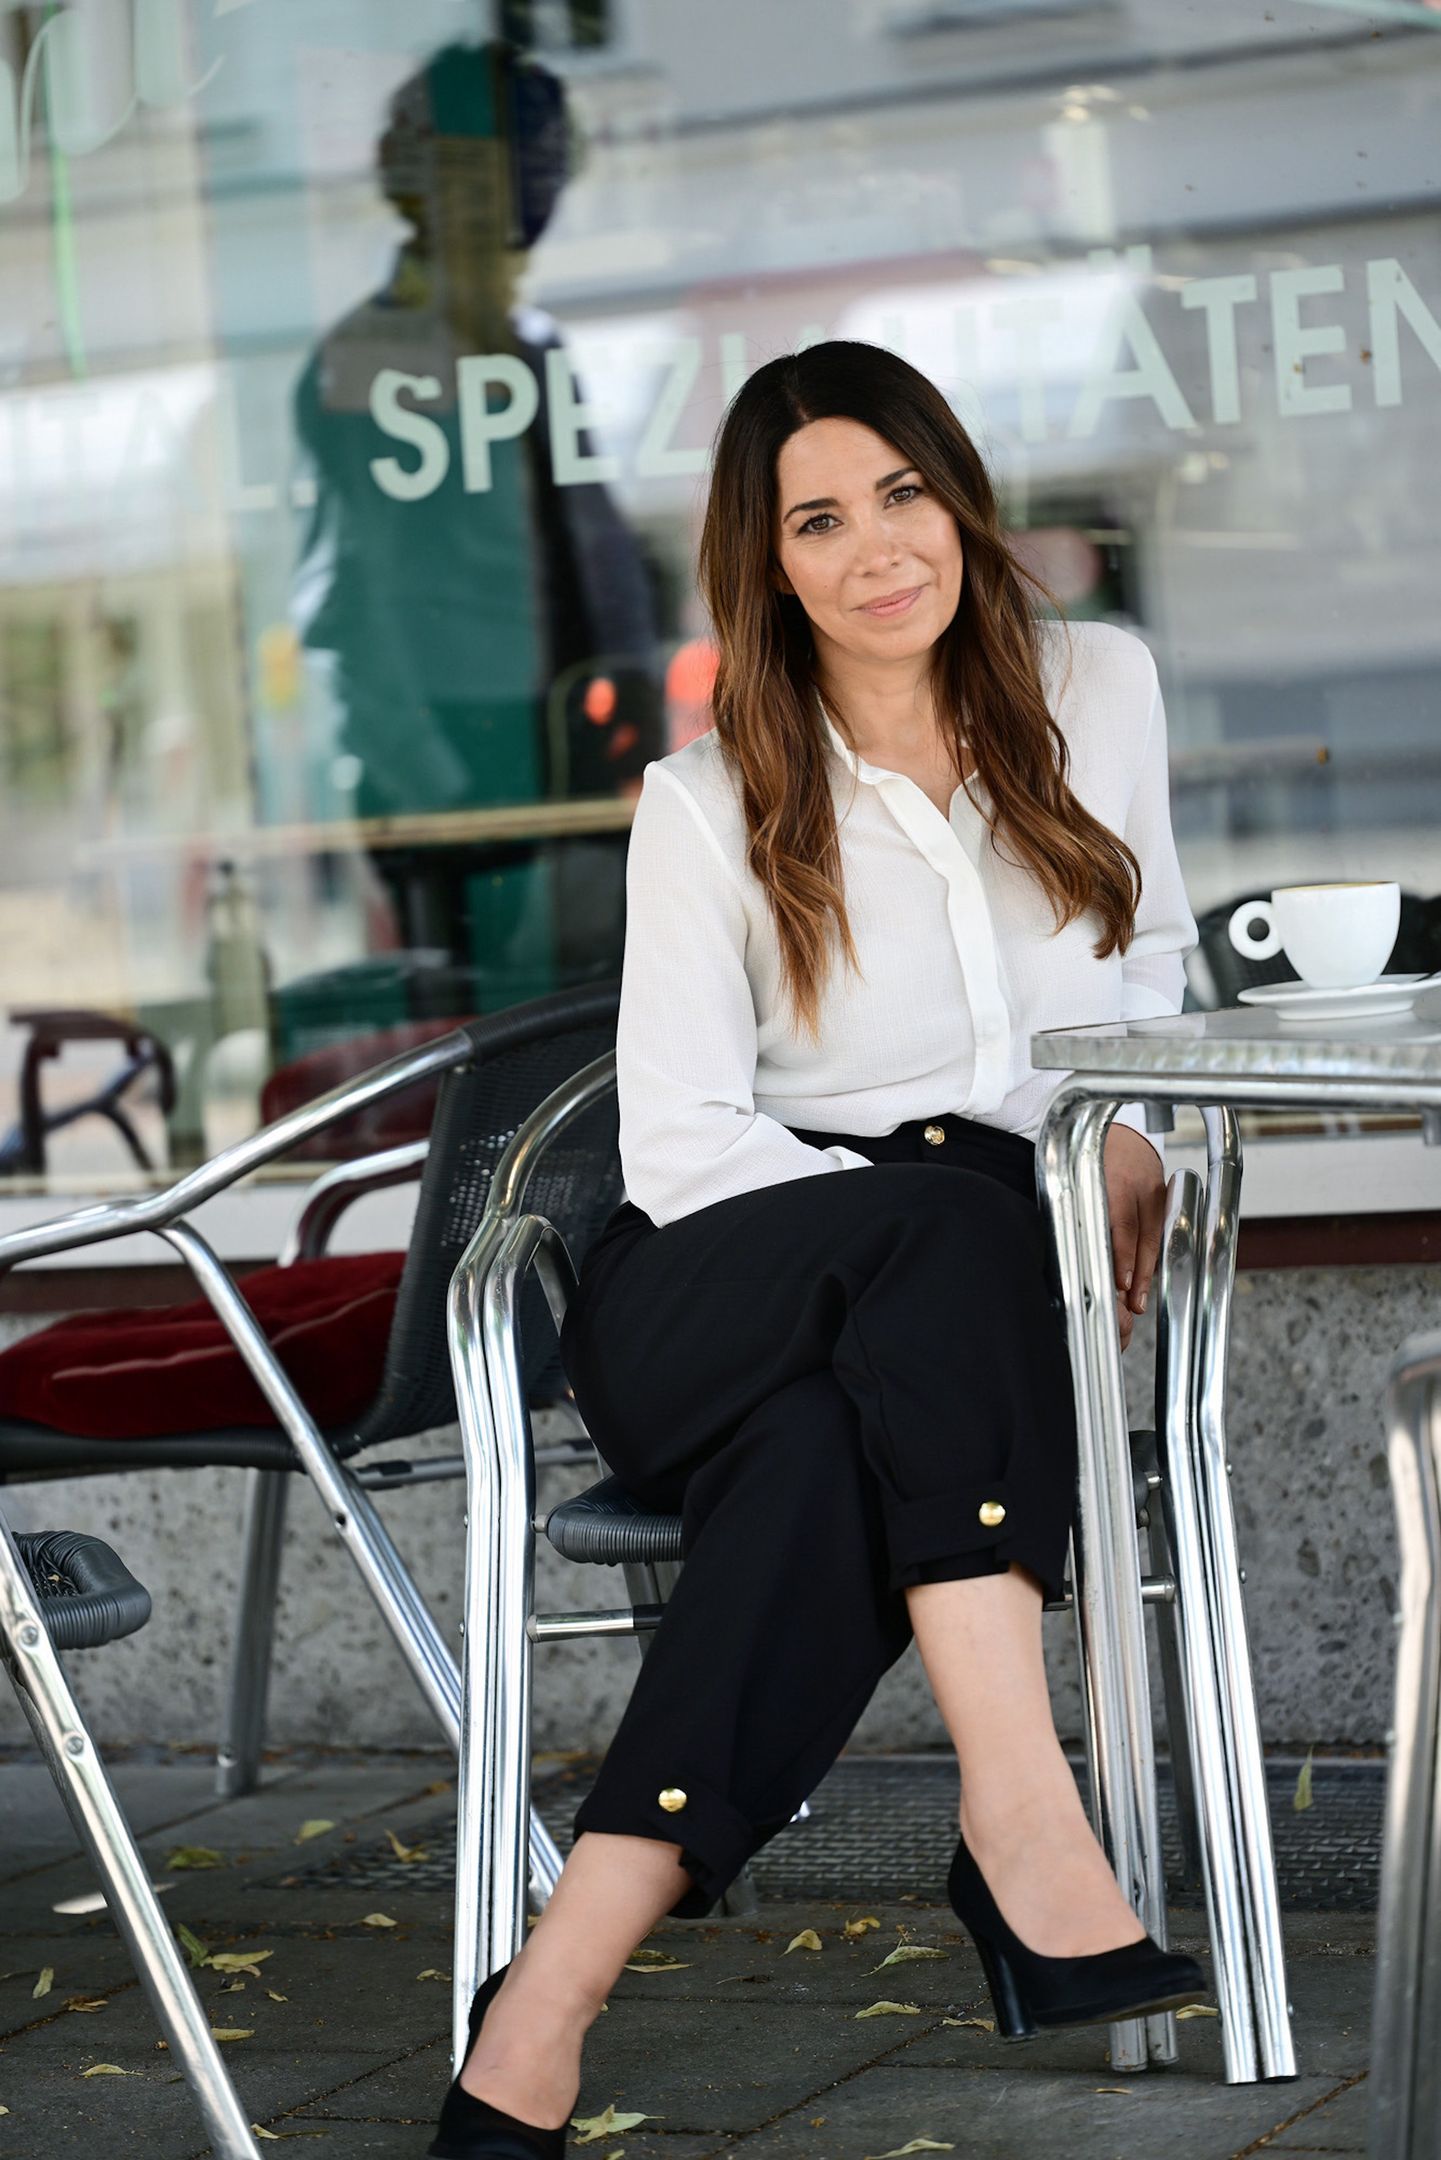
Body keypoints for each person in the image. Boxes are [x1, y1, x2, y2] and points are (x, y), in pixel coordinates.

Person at [425, 338, 1208, 2160]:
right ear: (767, 564)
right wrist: (944, 1199)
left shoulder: (1097, 686)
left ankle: (544, 2002)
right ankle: (1021, 1814)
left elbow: (1153, 967)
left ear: (960, 497)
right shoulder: (706, 801)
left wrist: (1136, 1134)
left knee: (818, 1474)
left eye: (902, 494)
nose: (877, 550)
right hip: (712, 1283)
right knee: (942, 1219)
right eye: (819, 521)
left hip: (948, 1322)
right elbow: (684, 1142)